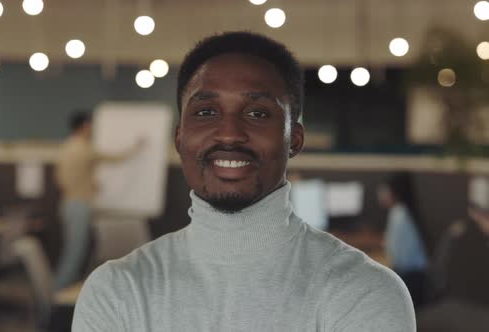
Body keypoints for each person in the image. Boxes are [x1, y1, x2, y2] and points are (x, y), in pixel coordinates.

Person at [73, 32, 415, 331]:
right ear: (180, 139)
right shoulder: (116, 291)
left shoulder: (364, 292)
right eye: (206, 112)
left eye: (258, 113)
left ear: (294, 139)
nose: (230, 134)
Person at [54, 110, 143, 291]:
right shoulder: (85, 149)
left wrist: (89, 184)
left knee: (72, 250)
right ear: (85, 126)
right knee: (75, 253)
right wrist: (137, 147)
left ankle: (58, 290)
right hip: (79, 206)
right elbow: (116, 158)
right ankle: (58, 293)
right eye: (91, 125)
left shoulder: (67, 147)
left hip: (67, 204)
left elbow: (61, 179)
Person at [378, 172, 428, 307]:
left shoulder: (399, 214)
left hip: (410, 281)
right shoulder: (405, 211)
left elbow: (395, 259)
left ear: (394, 193)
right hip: (417, 279)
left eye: (385, 191)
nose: (382, 195)